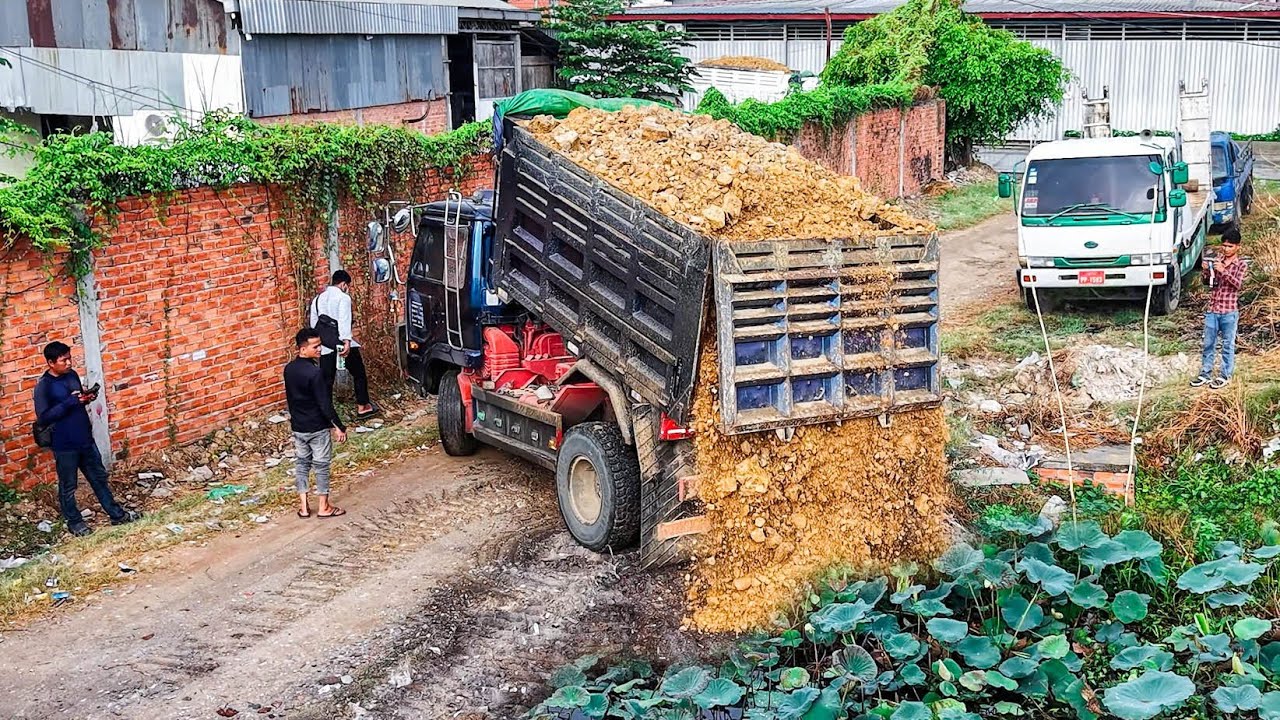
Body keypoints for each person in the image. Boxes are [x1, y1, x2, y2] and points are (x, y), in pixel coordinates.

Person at [33, 341, 139, 536]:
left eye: (69, 358)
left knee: (99, 479)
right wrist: (71, 402)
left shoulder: (72, 375)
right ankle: (75, 523)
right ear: (51, 363)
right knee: (68, 486)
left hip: (85, 440)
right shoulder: (44, 386)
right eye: (63, 360)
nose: (69, 363)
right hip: (64, 444)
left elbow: (77, 400)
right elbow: (44, 417)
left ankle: (117, 515)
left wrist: (85, 398)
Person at [285, 328, 348, 518]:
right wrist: (339, 426)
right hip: (317, 427)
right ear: (302, 349)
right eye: (315, 346)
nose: (320, 349)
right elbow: (324, 403)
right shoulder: (315, 373)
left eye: (320, 345)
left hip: (299, 427)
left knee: (302, 464)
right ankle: (323, 507)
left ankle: (304, 507)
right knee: (321, 466)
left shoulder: (289, 369)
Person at [310, 270, 377, 419]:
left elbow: (314, 324)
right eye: (347, 286)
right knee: (359, 373)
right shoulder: (343, 298)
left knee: (327, 381)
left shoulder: (317, 299)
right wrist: (346, 341)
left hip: (325, 346)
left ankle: (325, 414)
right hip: (342, 345)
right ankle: (363, 407)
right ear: (343, 284)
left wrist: (320, 343)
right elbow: (344, 320)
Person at [1191, 228, 1246, 390]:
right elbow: (1208, 283)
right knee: (1208, 344)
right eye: (1224, 246)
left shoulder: (1240, 265)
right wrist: (1206, 271)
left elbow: (1238, 285)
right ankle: (1205, 374)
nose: (1226, 249)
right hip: (1213, 309)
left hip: (1229, 311)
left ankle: (1225, 375)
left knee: (1228, 345)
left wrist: (1224, 271)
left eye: (1230, 246)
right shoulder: (1217, 260)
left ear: (1237, 247)